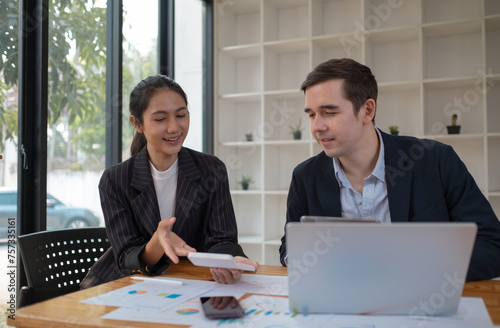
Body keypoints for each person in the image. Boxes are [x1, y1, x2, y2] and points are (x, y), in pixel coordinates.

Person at [279, 58, 500, 281]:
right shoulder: (305, 176)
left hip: (423, 300)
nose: (317, 126)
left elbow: (491, 246)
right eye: (311, 115)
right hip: (341, 303)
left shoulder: (436, 161)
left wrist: (411, 268)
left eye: (329, 112)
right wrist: (301, 258)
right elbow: (289, 246)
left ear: (367, 110)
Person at [81, 75, 258, 288]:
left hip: (188, 282)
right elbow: (126, 257)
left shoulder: (211, 169)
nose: (174, 128)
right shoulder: (115, 180)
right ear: (137, 123)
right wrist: (157, 242)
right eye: (160, 119)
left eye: (181, 115)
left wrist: (229, 260)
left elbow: (222, 239)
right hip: (126, 284)